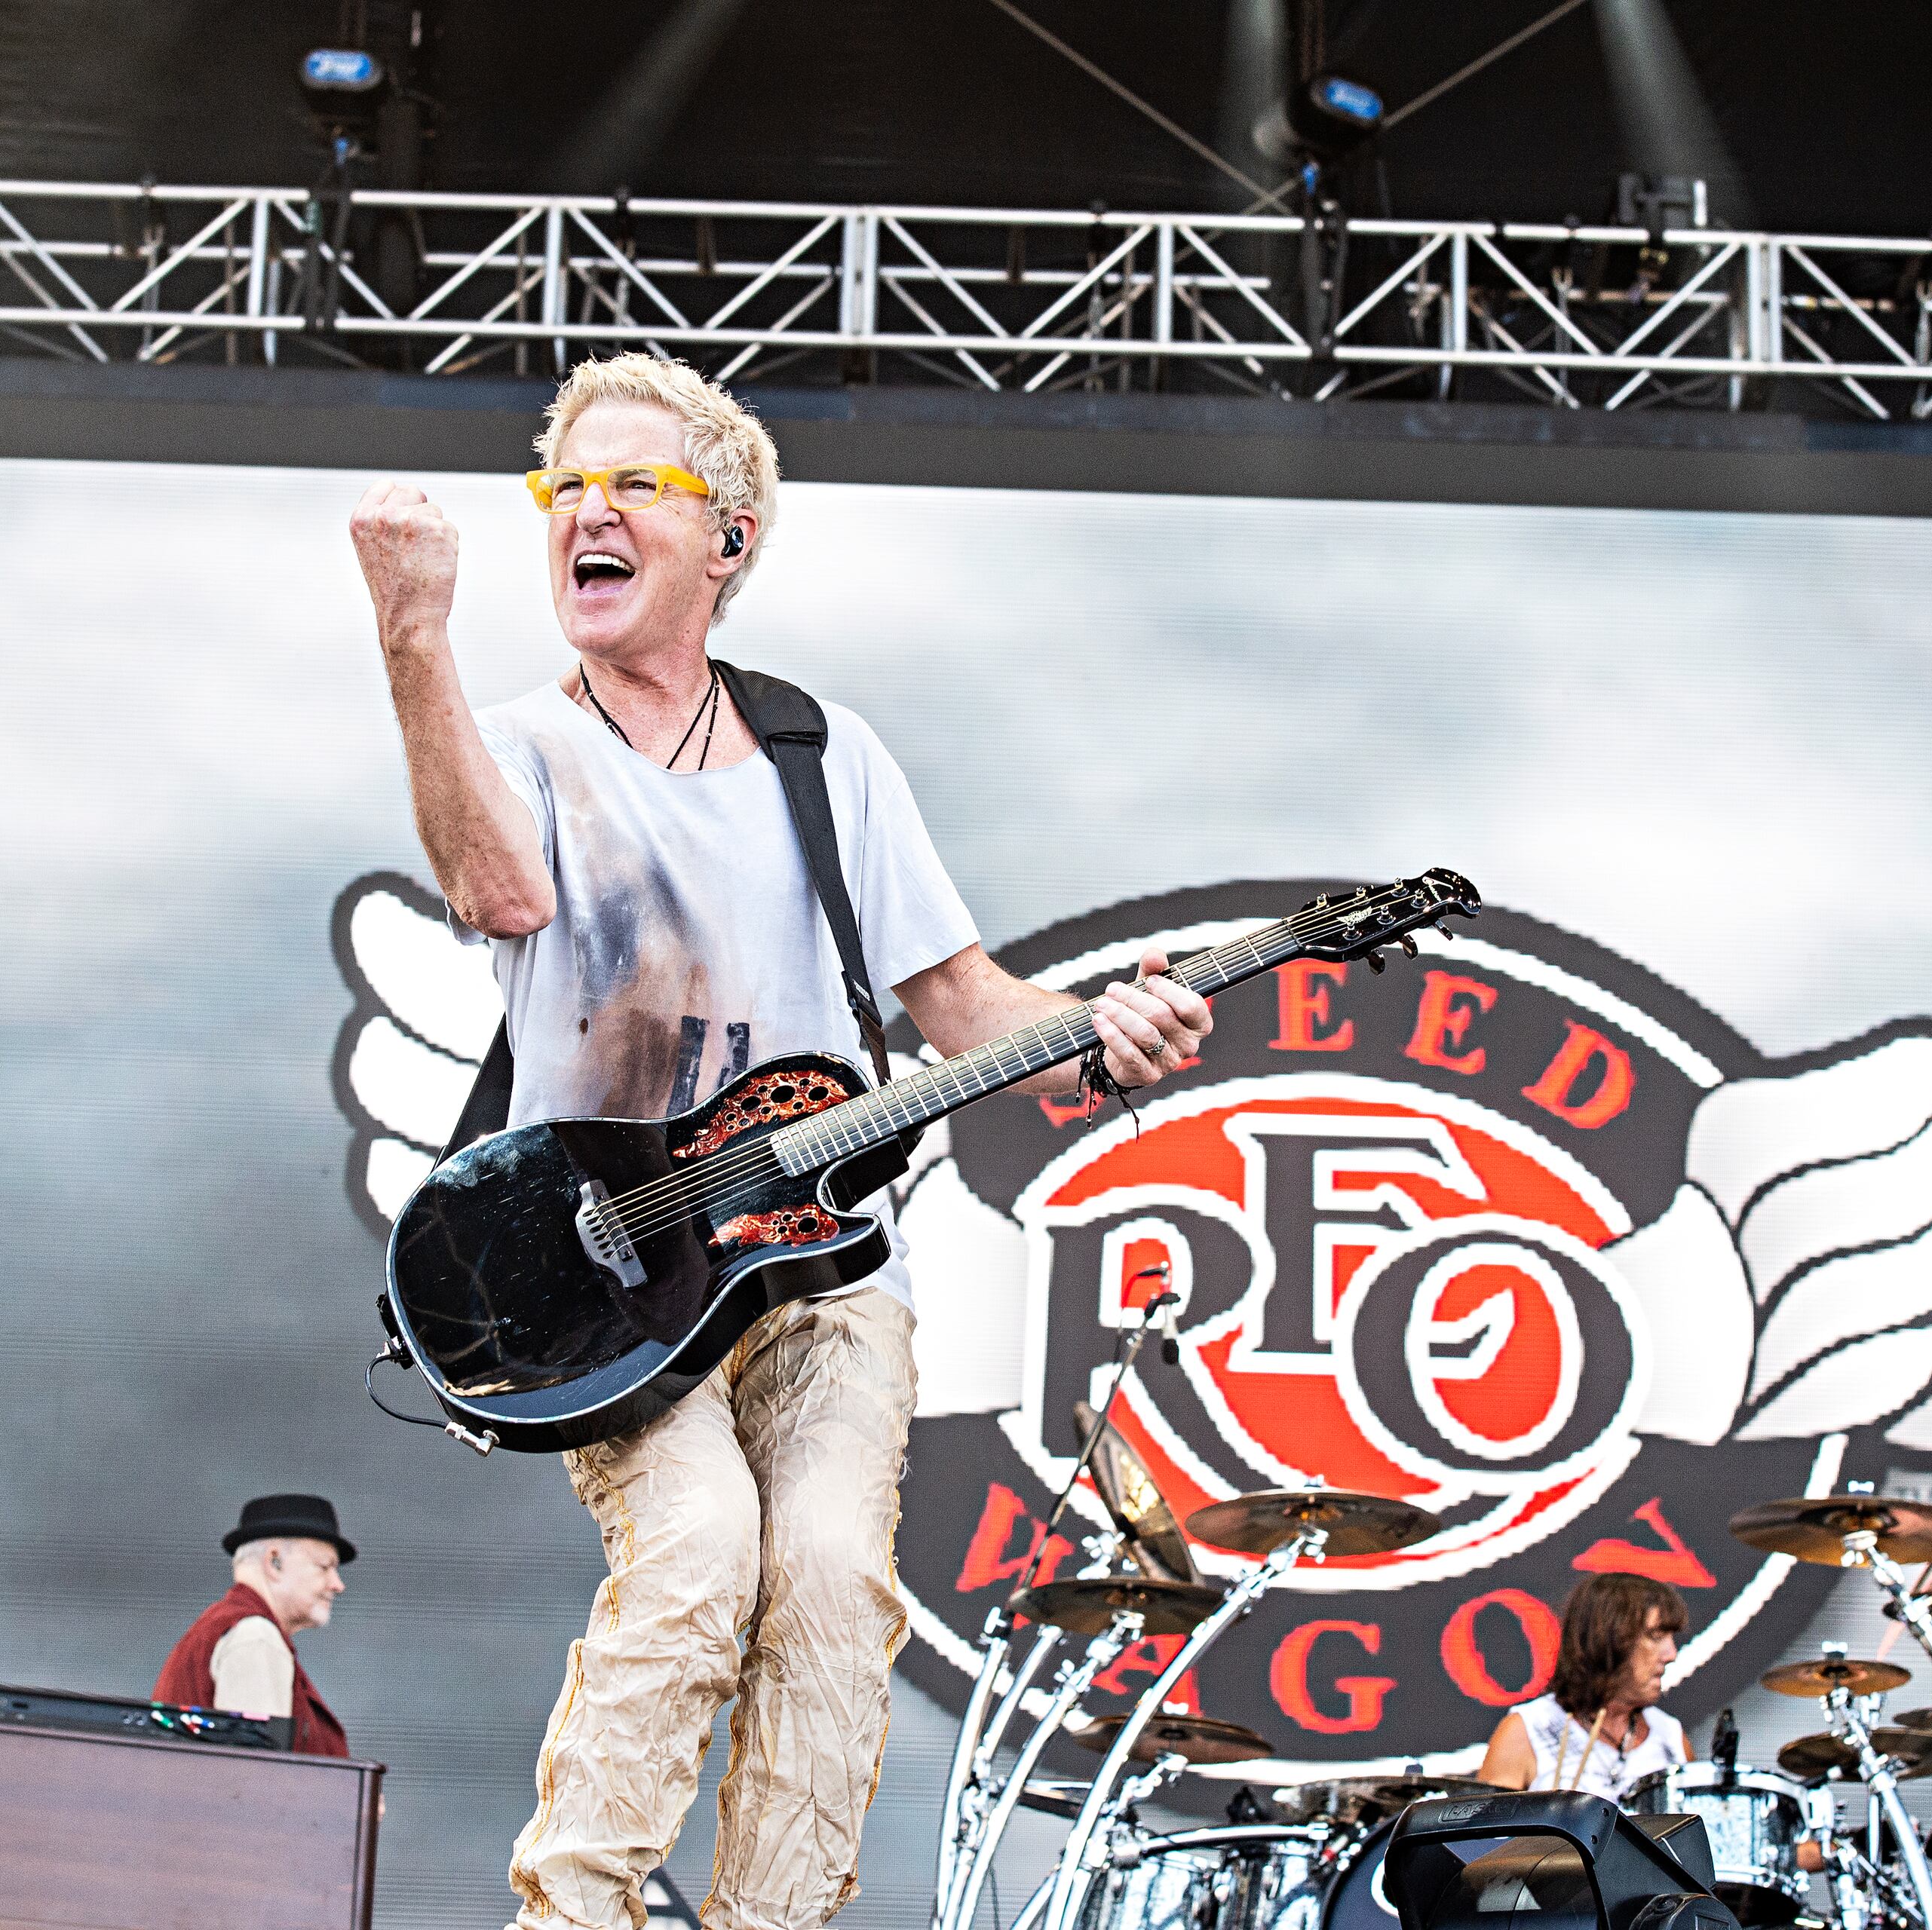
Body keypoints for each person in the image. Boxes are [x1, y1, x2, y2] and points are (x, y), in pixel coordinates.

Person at [345, 351, 1213, 1930]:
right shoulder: (526, 739)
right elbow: (496, 894)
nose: (586, 514)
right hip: (617, 1270)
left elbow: (959, 1001)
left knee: (826, 1589)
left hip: (818, 1268)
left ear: (730, 542)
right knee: (691, 1563)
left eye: (636, 486)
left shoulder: (824, 756)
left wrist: (1098, 1032)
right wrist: (413, 635)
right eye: (567, 488)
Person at [153, 1493, 354, 1758]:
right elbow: (255, 1781)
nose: (338, 1585)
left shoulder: (225, 1628)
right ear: (274, 1561)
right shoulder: (256, 1637)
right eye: (325, 1567)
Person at [1477, 1572, 1691, 1801]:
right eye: (1656, 1636)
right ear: (1609, 1639)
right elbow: (1487, 1835)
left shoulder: (1670, 1737)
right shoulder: (1528, 1730)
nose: (1671, 1654)